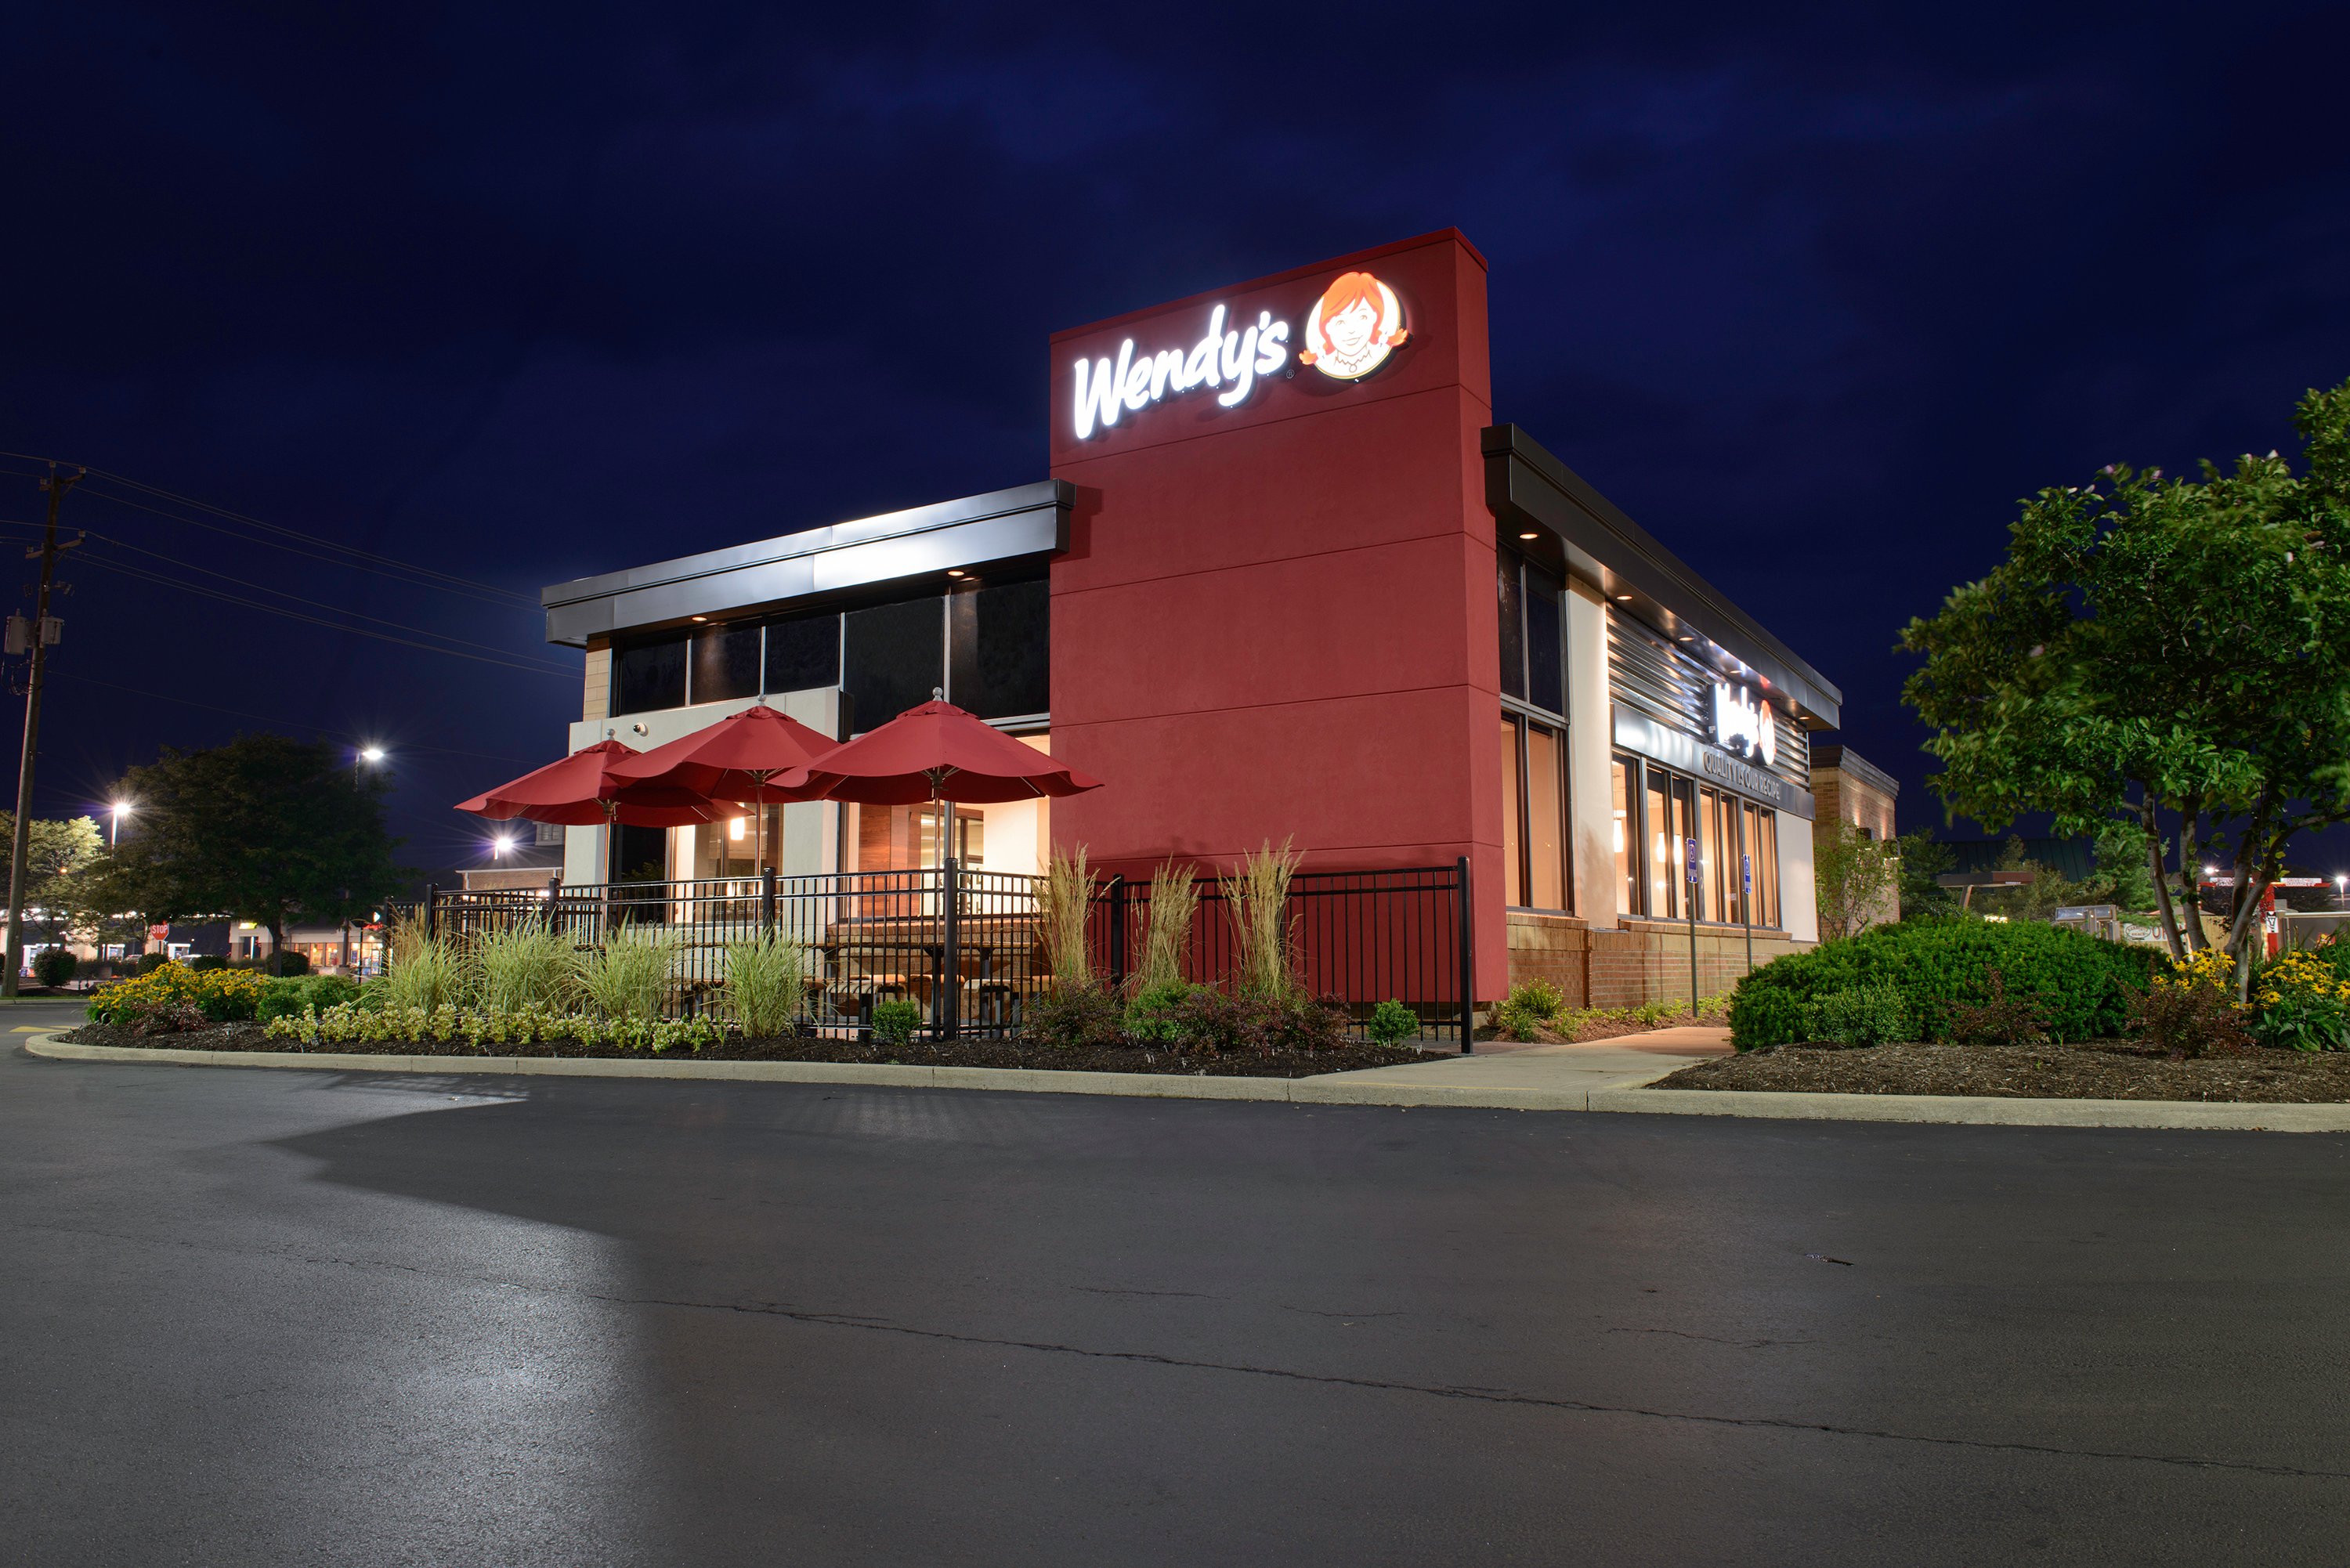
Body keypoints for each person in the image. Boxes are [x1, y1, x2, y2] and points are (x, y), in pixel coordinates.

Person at [1299, 270, 1408, 379]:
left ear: (1374, 317)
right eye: (1340, 322)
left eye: (1362, 317)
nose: (1351, 330)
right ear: (1327, 327)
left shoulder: (1379, 350)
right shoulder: (1327, 362)